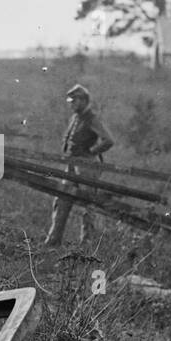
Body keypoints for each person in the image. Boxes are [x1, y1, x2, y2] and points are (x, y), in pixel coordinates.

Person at [43, 84, 115, 247]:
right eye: (70, 100)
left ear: (83, 101)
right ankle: (53, 240)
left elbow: (108, 140)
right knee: (61, 199)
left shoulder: (92, 118)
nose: (71, 104)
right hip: (71, 165)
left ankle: (87, 245)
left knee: (88, 204)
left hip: (87, 166)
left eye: (74, 100)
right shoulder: (75, 117)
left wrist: (91, 151)